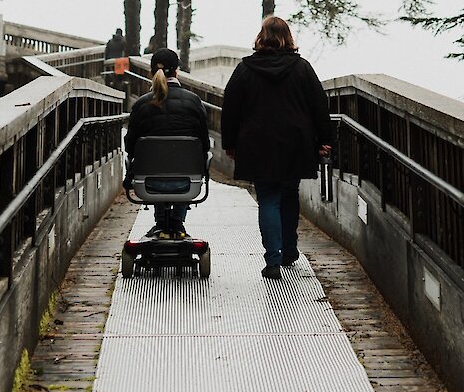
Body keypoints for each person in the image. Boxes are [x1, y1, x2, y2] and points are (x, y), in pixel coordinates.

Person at [221, 16, 332, 280]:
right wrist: (325, 139)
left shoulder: (245, 69)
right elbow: (319, 105)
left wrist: (230, 143)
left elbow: (231, 108)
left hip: (258, 142)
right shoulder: (302, 68)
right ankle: (290, 250)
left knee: (268, 198)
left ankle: (272, 259)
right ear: (288, 37)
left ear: (262, 36)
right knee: (289, 194)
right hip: (295, 141)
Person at [124, 48, 210, 238]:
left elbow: (130, 146)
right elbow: (204, 144)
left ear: (151, 72)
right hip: (187, 182)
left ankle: (161, 222)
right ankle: (177, 223)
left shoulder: (142, 104)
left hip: (149, 184)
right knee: (182, 161)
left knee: (155, 163)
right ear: (177, 71)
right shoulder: (194, 102)